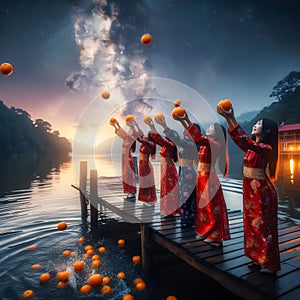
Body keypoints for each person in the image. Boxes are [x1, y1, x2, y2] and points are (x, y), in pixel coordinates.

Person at [217, 103, 280, 273]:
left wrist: (231, 117)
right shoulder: (252, 148)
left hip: (263, 194)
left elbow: (244, 141)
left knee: (263, 228)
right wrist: (227, 117)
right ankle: (256, 258)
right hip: (251, 194)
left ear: (267, 131)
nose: (255, 125)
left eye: (259, 123)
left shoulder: (266, 148)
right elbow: (241, 140)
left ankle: (269, 262)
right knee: (251, 226)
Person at [175, 111, 231, 247]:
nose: (208, 128)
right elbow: (197, 139)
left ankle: (215, 236)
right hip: (201, 177)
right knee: (203, 207)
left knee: (211, 207)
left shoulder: (215, 144)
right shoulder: (206, 143)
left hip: (209, 178)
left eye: (211, 127)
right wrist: (183, 122)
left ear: (217, 133)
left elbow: (198, 138)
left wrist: (186, 120)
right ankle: (205, 230)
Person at [146, 114, 180, 216]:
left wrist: (153, 126)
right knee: (165, 189)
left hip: (169, 170)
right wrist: (152, 126)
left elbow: (158, 138)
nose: (167, 136)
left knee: (169, 190)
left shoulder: (170, 145)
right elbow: (159, 139)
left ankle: (170, 210)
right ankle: (166, 209)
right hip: (165, 170)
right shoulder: (167, 145)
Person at [110, 116, 140, 201]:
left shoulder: (130, 138)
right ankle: (129, 192)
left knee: (129, 174)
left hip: (128, 157)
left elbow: (126, 133)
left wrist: (133, 126)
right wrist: (116, 126)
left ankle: (132, 192)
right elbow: (121, 133)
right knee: (126, 175)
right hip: (124, 158)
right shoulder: (126, 139)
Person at [133, 120, 157, 205]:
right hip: (142, 165)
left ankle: (150, 200)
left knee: (147, 182)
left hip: (146, 165)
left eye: (147, 134)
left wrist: (133, 129)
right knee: (143, 182)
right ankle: (146, 199)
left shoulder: (150, 143)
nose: (145, 134)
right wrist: (137, 125)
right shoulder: (146, 141)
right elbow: (141, 136)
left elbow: (139, 139)